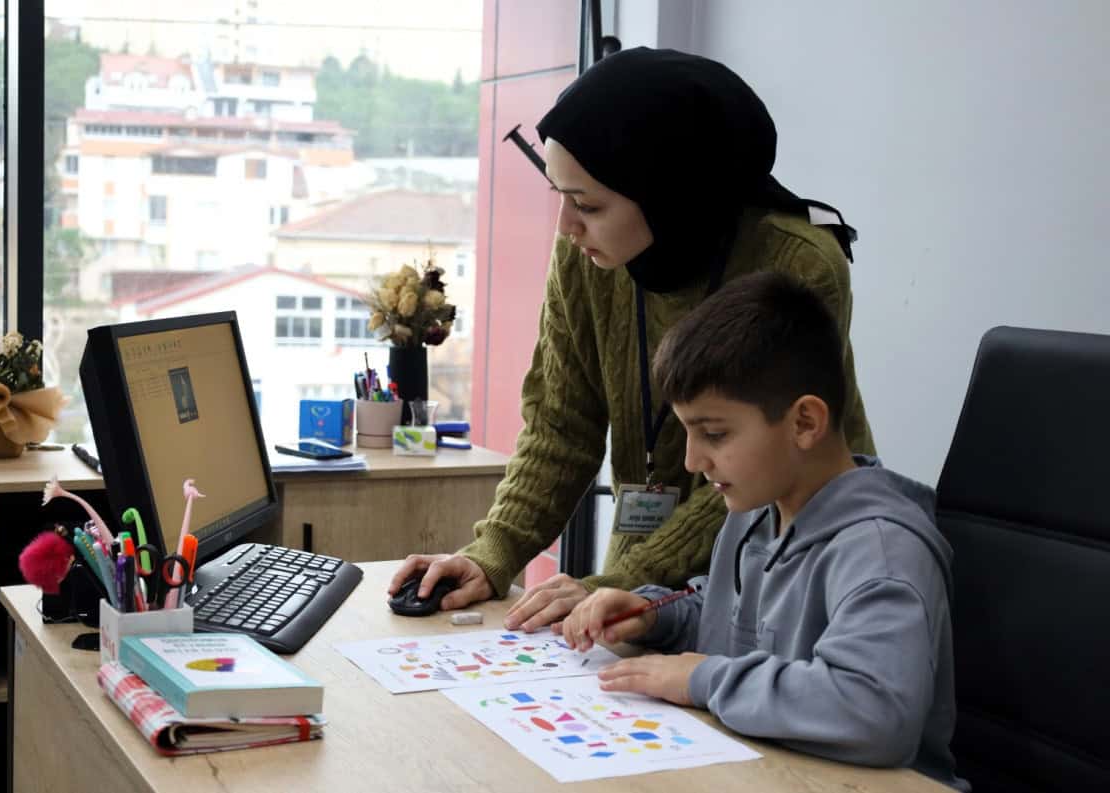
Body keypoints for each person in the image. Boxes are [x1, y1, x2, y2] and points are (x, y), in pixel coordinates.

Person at [388, 47, 875, 630]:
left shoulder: (798, 263)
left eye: (587, 204)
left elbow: (763, 468)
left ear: (669, 195)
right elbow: (560, 425)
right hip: (641, 590)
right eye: (560, 198)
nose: (567, 227)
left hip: (783, 576)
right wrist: (493, 553)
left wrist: (623, 583)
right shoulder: (587, 253)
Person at [562, 272, 966, 791]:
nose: (692, 461)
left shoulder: (882, 552)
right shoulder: (756, 513)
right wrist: (653, 615)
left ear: (804, 423)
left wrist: (701, 679)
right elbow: (735, 625)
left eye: (714, 434)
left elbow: (872, 711)